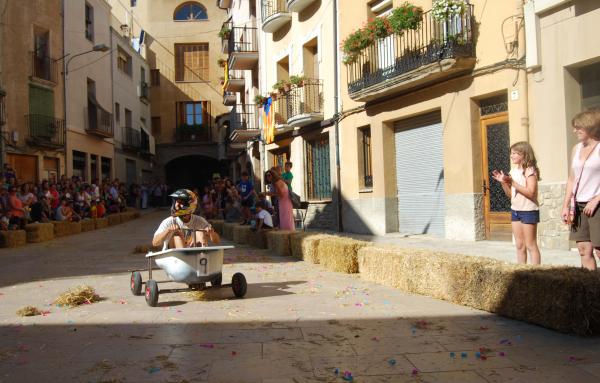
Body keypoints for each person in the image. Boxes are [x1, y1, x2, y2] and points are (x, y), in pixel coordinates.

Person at [561, 109, 600, 271]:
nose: (574, 130)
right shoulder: (575, 149)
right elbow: (572, 179)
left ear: (590, 127)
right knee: (584, 250)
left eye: (578, 127)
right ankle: (590, 289)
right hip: (578, 205)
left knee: (599, 250)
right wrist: (565, 205)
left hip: (597, 205)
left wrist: (596, 199)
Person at [492, 142, 541, 264]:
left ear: (524, 154)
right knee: (519, 245)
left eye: (515, 153)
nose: (511, 156)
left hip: (528, 211)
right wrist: (503, 182)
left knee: (531, 245)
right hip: (516, 210)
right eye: (511, 153)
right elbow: (510, 195)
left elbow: (531, 193)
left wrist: (512, 182)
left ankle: (537, 274)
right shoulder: (513, 171)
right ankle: (521, 272)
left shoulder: (530, 170)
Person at [152, 189, 220, 249]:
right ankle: (184, 258)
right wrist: (168, 230)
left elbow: (217, 241)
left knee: (200, 233)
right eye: (176, 202)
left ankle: (202, 256)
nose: (176, 205)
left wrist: (211, 233)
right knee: (177, 235)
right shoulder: (169, 221)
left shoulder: (199, 220)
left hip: (195, 255)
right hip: (174, 256)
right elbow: (155, 243)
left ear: (190, 205)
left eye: (180, 202)